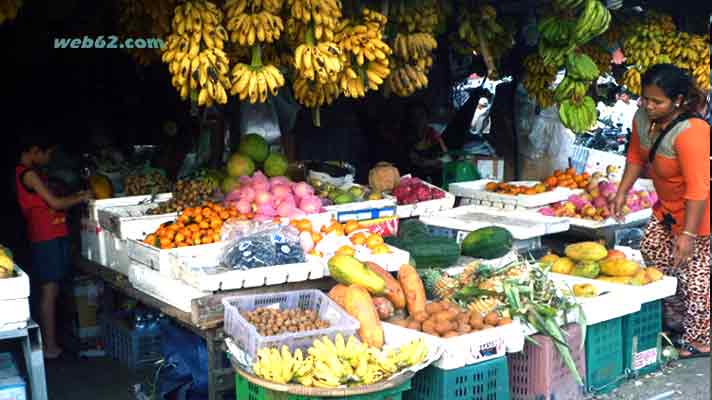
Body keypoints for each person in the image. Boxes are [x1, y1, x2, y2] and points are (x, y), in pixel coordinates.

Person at [611, 64, 710, 359]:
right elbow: (635, 156)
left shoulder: (693, 131)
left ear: (678, 101)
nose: (649, 106)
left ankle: (701, 339)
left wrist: (688, 234)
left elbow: (698, 188)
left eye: (657, 102)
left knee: (695, 275)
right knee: (654, 253)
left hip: (698, 214)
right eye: (645, 99)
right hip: (666, 208)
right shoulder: (642, 119)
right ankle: (677, 324)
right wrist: (621, 192)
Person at [15, 134, 92, 359]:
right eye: (47, 153)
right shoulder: (27, 174)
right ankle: (49, 347)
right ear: (34, 151)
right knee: (49, 291)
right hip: (45, 237)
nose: (49, 158)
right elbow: (55, 203)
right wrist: (81, 197)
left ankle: (53, 343)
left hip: (52, 234)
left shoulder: (32, 173)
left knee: (54, 289)